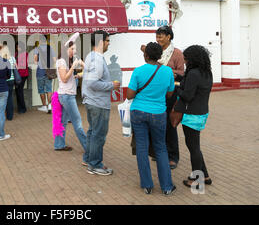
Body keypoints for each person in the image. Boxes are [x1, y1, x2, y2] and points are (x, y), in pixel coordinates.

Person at [127, 42, 177, 195]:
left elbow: (129, 95)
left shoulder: (138, 71)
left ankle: (147, 185)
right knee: (160, 148)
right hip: (158, 113)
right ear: (160, 56)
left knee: (142, 147)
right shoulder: (168, 72)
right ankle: (167, 186)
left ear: (145, 55)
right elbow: (170, 94)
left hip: (139, 112)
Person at [142, 25, 184, 169]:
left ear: (169, 37)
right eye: (157, 36)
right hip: (158, 91)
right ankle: (159, 152)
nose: (158, 39)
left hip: (171, 92)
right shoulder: (156, 51)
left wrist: (171, 72)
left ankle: (173, 156)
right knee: (157, 123)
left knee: (169, 124)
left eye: (161, 36)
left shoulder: (177, 53)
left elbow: (181, 72)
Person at [174, 45, 213, 188]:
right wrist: (179, 77)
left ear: (192, 59)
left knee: (193, 148)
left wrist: (176, 86)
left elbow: (187, 95)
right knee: (195, 146)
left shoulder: (193, 73)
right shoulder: (206, 72)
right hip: (202, 112)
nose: (184, 61)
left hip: (192, 114)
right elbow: (193, 86)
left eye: (186, 59)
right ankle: (205, 176)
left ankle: (196, 179)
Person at [82, 30, 120, 176]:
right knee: (98, 134)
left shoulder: (91, 56)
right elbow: (93, 83)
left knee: (93, 131)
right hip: (98, 103)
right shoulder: (97, 59)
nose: (109, 43)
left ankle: (88, 159)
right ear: (100, 42)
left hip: (92, 101)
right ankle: (95, 165)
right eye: (107, 40)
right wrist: (111, 85)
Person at [54, 41, 88, 158]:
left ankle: (59, 144)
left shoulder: (67, 60)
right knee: (77, 122)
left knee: (63, 121)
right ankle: (88, 147)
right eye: (73, 49)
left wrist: (77, 74)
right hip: (67, 96)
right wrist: (73, 67)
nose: (75, 51)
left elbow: (85, 69)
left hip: (66, 95)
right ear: (66, 49)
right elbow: (63, 78)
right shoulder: (61, 61)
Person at [34, 39, 56, 114]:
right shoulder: (50, 48)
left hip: (40, 71)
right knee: (49, 89)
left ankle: (44, 106)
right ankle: (50, 106)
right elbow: (54, 60)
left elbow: (35, 60)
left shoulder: (37, 49)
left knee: (41, 89)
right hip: (49, 72)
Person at [0, 45, 16, 121]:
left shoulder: (1, 59)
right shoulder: (12, 58)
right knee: (10, 98)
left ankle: (1, 116)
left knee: (2, 98)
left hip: (4, 80)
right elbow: (15, 67)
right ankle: (10, 116)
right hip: (11, 79)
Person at [15, 41, 28, 114]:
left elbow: (25, 64)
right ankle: (20, 108)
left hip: (23, 75)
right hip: (17, 74)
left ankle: (23, 108)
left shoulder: (25, 54)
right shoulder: (16, 54)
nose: (18, 48)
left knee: (19, 91)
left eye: (19, 46)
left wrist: (16, 66)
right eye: (17, 46)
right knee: (17, 91)